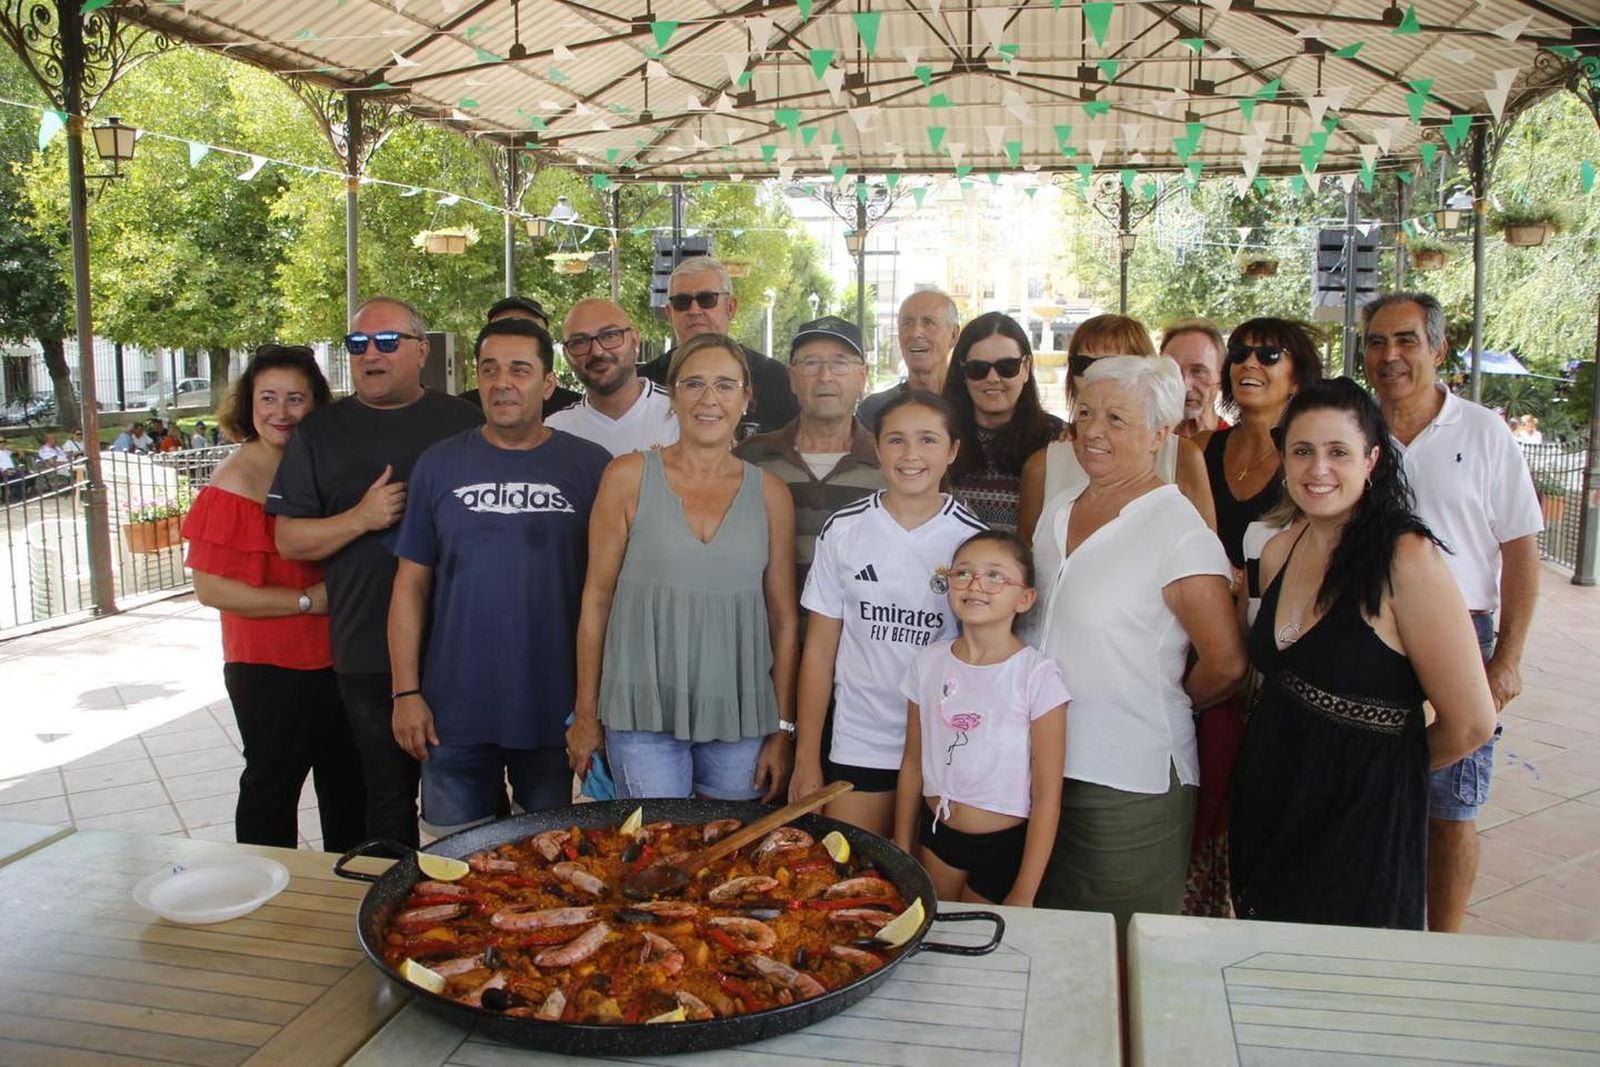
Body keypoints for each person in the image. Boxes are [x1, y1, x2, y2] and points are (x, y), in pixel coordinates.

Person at [1229, 378, 1498, 929]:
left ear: (1371, 460)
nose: (1318, 469)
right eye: (1302, 451)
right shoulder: (1280, 549)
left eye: (1338, 452)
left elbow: (1472, 723)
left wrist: (1385, 771)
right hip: (1273, 793)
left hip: (1361, 819)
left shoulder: (1405, 559)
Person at [1032, 357, 1246, 933]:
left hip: (1127, 782)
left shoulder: (1177, 530)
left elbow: (1226, 663)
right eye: (1084, 413)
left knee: (1120, 946)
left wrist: (1162, 699)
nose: (1093, 431)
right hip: (1042, 767)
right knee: (1053, 942)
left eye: (1116, 419)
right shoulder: (1059, 511)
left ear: (1160, 434)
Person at [269, 296, 484, 848]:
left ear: (421, 351)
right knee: (386, 798)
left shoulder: (464, 421)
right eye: (357, 343)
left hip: (462, 648)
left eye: (387, 341)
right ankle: (389, 897)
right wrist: (361, 518)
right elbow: (289, 539)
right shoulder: (321, 432)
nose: (370, 354)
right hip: (367, 651)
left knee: (472, 801)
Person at [1361, 291, 1543, 933]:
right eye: (1377, 342)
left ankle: (1445, 944)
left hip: (1461, 633)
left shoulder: (1483, 432)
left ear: (1438, 350)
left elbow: (1521, 551)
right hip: (1370, 632)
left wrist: (1508, 657)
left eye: (1406, 340)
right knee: (1373, 795)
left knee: (1453, 805)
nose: (1390, 355)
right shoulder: (1356, 429)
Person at [389, 318, 610, 831]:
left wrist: (591, 709)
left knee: (545, 860)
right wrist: (405, 693)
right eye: (489, 370)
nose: (502, 382)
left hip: (554, 710)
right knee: (453, 859)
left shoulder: (592, 467)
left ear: (548, 383)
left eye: (519, 369)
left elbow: (610, 595)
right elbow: (409, 586)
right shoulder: (439, 465)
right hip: (452, 713)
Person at [568, 334, 799, 801]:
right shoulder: (627, 476)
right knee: (655, 843)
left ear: (745, 398)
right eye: (694, 384)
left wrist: (782, 728)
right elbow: (596, 600)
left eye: (725, 385)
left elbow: (784, 620)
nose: (709, 399)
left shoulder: (771, 494)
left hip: (740, 713)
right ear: (672, 395)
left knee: (731, 844)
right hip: (640, 710)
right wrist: (586, 714)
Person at [181, 345, 365, 851]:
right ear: (249, 403)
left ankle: (346, 890)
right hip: (268, 668)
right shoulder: (233, 482)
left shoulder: (322, 466)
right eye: (268, 398)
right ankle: (267, 890)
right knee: (272, 789)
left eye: (295, 399)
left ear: (316, 404)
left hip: (340, 659)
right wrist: (306, 601)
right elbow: (210, 589)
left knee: (349, 789)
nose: (280, 412)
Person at [788, 390, 983, 834]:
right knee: (855, 866)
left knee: (924, 871)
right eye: (896, 440)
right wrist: (806, 757)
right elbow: (818, 652)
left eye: (928, 439)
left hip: (943, 743)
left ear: (952, 450)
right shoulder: (844, 528)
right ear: (877, 448)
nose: (911, 454)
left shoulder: (972, 540)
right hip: (860, 741)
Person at [893, 531, 1068, 906]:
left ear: (1025, 598)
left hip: (1002, 849)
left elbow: (1047, 796)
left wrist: (1025, 890)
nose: (975, 585)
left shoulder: (1036, 676)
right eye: (963, 573)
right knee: (935, 930)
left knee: (980, 937)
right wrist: (902, 845)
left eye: (995, 576)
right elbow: (912, 764)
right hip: (938, 837)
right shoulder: (927, 664)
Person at [1017, 313, 1215, 550]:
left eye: (1113, 364)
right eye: (1083, 363)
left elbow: (1205, 551)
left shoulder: (1182, 457)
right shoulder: (1043, 466)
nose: (1097, 374)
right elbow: (1026, 560)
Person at [735, 316, 885, 597]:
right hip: (765, 623)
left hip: (857, 625)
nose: (825, 376)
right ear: (792, 378)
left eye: (840, 363)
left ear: (862, 376)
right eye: (811, 363)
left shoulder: (890, 462)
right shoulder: (751, 458)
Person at [1200, 318, 1324, 570]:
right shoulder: (1199, 447)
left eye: (1269, 355)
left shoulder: (1312, 460)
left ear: (1297, 380)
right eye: (1239, 353)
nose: (1249, 363)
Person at [638, 256, 799, 438]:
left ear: (730, 308)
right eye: (682, 302)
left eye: (707, 299)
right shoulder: (642, 384)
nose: (694, 310)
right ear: (669, 313)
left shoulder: (775, 379)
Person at [940, 312, 1063, 534]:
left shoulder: (1058, 439)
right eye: (978, 369)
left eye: (1007, 366)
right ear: (963, 373)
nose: (993, 378)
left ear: (1026, 368)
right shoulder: (939, 436)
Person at [547, 298, 678, 456]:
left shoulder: (679, 414)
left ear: (634, 341)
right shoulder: (556, 430)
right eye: (580, 342)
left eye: (609, 336)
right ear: (567, 354)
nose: (597, 351)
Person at [459, 295, 582, 418]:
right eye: (502, 328)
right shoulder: (461, 413)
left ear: (548, 383)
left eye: (530, 329)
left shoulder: (576, 411)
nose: (502, 383)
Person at [857, 290, 961, 432]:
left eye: (928, 322)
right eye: (908, 323)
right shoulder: (874, 410)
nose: (915, 333)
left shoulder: (972, 404)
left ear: (954, 335)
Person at [1161, 318, 1230, 439]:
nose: (1185, 386)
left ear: (1222, 377)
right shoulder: (1144, 442)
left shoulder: (1235, 445)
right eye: (1174, 371)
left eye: (1198, 372)